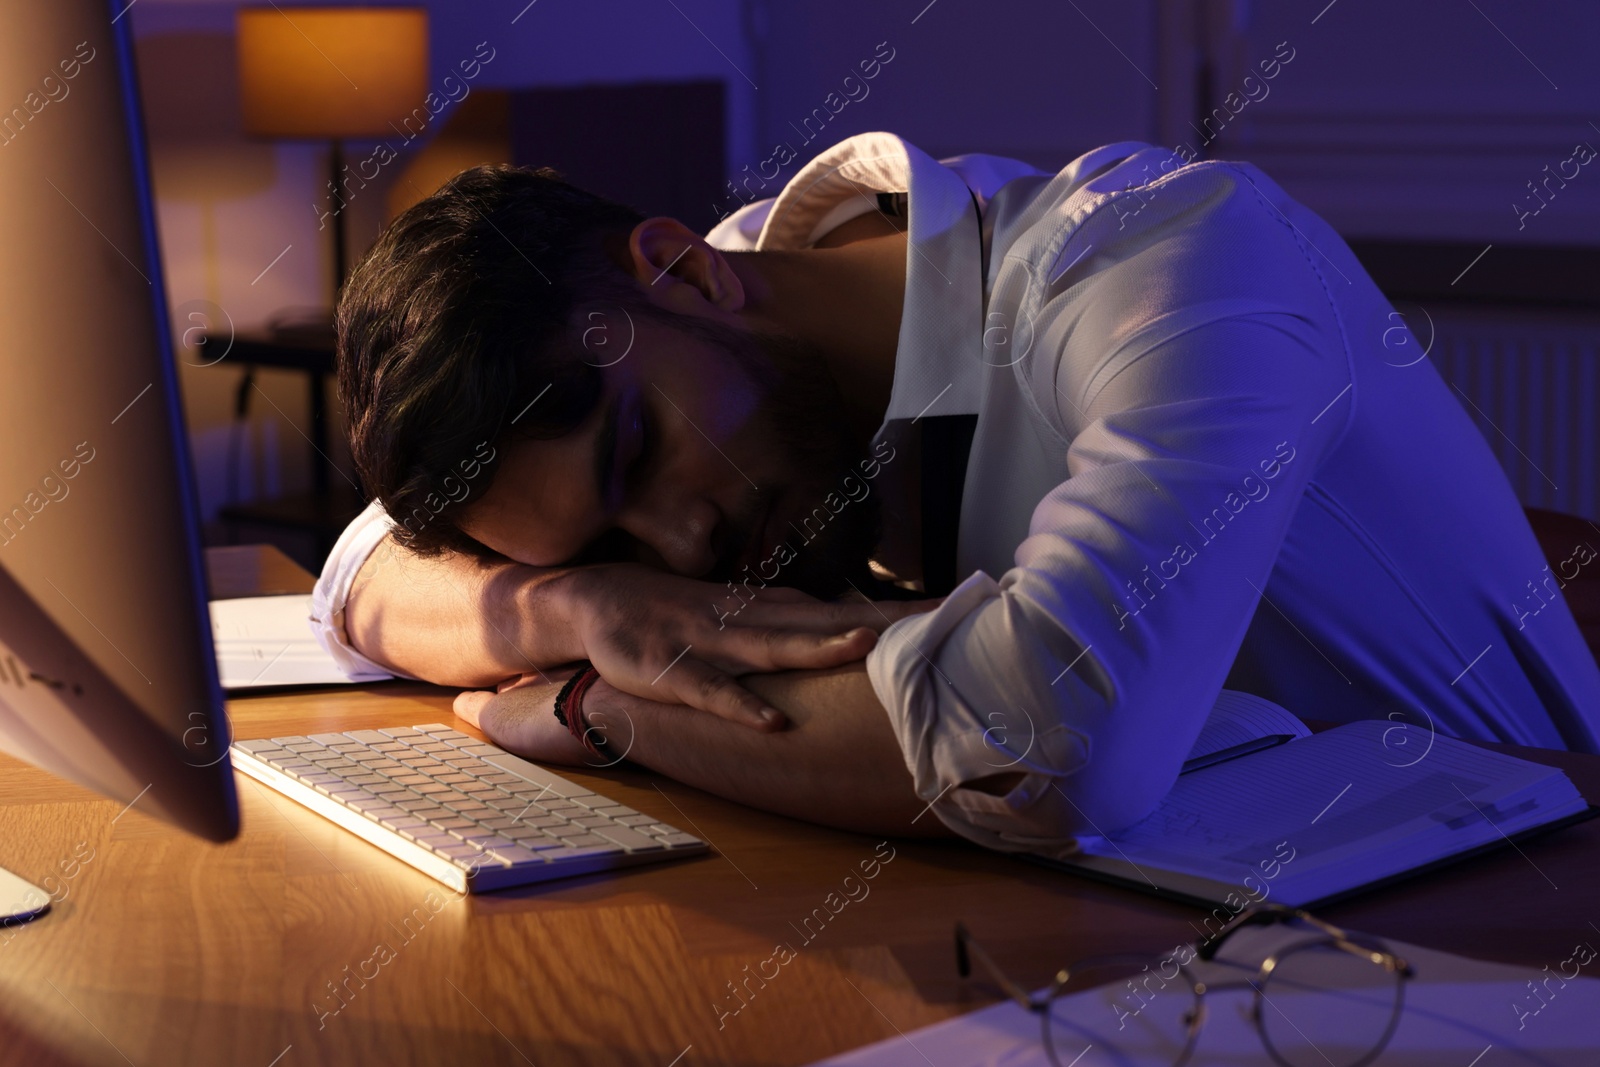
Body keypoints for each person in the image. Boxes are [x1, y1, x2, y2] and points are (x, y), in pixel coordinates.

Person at [312, 131, 1600, 851]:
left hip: (1504, 920)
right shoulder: (746, 302)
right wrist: (580, 607)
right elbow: (365, 568)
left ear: (681, 273)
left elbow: (1051, 744)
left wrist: (603, 709)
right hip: (1157, 932)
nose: (683, 546)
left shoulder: (1173, 262)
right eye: (612, 540)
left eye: (636, 456)